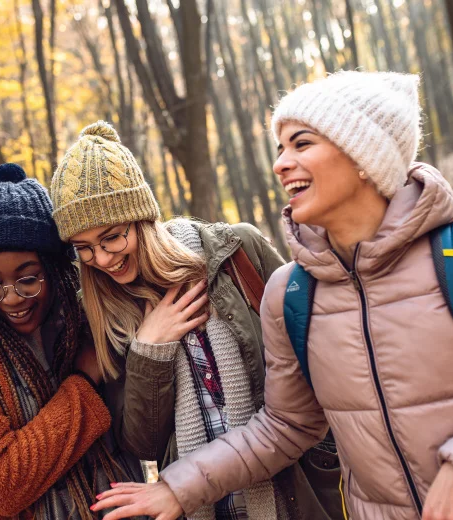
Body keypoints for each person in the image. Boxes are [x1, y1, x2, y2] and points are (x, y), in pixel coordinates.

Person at [92, 71, 453, 520]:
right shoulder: (291, 294)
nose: (280, 163)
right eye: (280, 148)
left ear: (363, 154)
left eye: (301, 144)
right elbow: (285, 427)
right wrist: (178, 489)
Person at [49, 121, 344, 520]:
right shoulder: (101, 312)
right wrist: (150, 350)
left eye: (113, 237)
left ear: (142, 221)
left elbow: (319, 355)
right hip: (198, 505)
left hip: (292, 489)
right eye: (84, 248)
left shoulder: (237, 252)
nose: (102, 259)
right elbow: (144, 444)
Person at [0, 163, 145, 520]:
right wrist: (83, 380)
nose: (12, 298)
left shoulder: (89, 319)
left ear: (55, 269)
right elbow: (2, 484)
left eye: (28, 279)